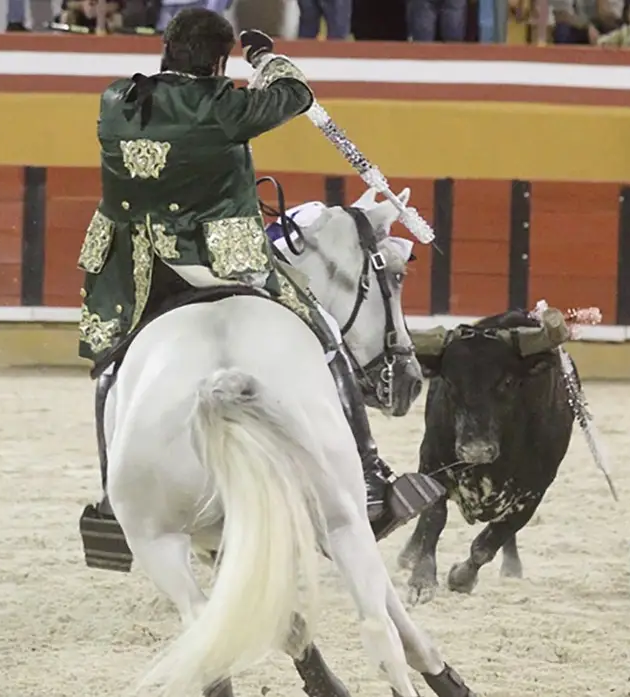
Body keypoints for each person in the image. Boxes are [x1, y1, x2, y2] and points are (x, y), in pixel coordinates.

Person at [77, 8, 443, 544]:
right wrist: (265, 57)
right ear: (220, 61)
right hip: (216, 259)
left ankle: (114, 498)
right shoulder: (223, 107)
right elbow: (294, 94)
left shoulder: (116, 101)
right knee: (322, 332)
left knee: (114, 367)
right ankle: (369, 477)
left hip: (135, 270)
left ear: (166, 49)